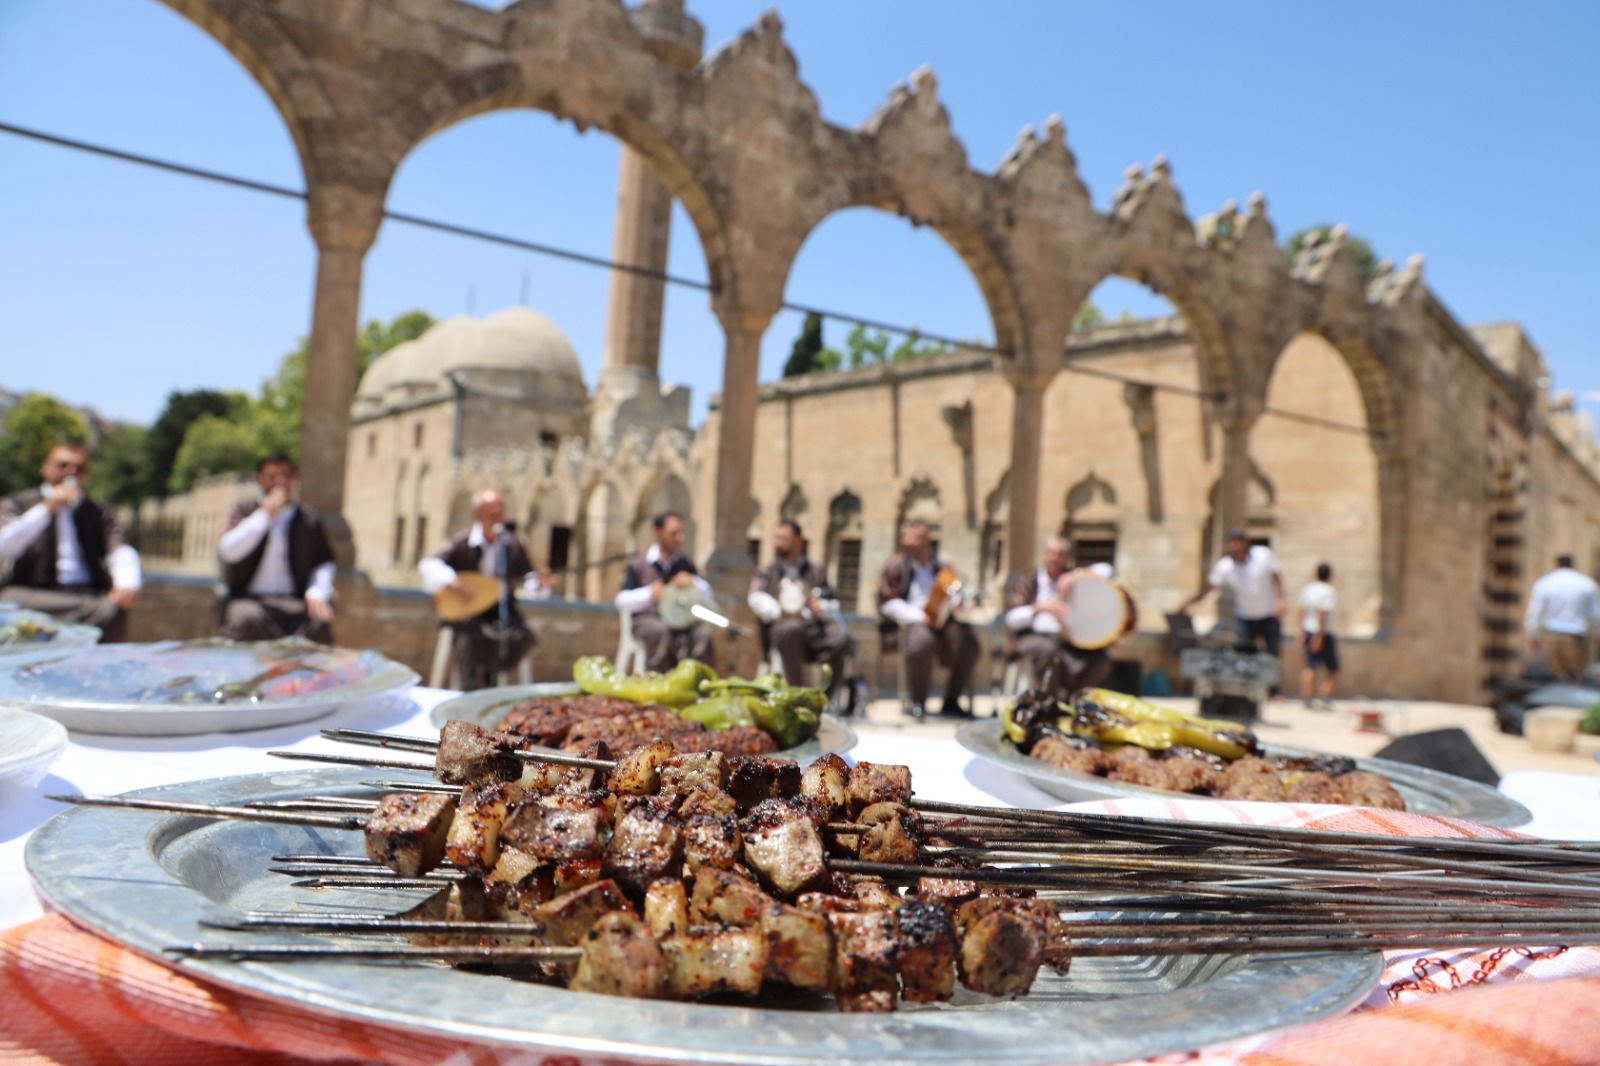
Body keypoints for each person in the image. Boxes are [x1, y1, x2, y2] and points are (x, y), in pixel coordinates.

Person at [0, 440, 140, 641]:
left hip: (84, 594)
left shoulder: (96, 511)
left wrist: (126, 582)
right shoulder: (18, 502)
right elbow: (5, 545)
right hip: (31, 592)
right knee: (11, 603)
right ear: (45, 467)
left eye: (79, 468)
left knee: (112, 609)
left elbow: (118, 547)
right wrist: (46, 509)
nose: (70, 472)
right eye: (62, 465)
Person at [419, 490, 555, 690]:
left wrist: (541, 585)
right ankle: (470, 690)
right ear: (477, 515)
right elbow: (429, 565)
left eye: (500, 514)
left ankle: (492, 678)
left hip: (502, 611)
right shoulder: (462, 541)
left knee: (523, 637)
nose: (497, 520)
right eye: (492, 515)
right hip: (466, 613)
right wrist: (455, 583)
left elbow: (527, 581)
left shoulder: (512, 545)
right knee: (467, 636)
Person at [217, 453, 336, 644]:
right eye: (272, 476)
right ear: (260, 479)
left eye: (285, 475)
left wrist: (316, 593)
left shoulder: (308, 518)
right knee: (245, 619)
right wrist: (264, 515)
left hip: (292, 602)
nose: (280, 481)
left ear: (294, 479)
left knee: (319, 622)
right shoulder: (244, 511)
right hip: (250, 601)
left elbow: (323, 561)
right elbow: (227, 550)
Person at [877, 519, 980, 719]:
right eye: (905, 537)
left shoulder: (942, 568)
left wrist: (959, 604)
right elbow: (887, 603)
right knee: (922, 643)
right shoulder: (896, 566)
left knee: (969, 643)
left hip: (942, 622)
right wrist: (920, 617)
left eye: (914, 538)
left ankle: (952, 700)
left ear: (927, 541)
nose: (908, 542)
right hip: (911, 624)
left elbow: (957, 594)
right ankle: (917, 701)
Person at [747, 519, 852, 697]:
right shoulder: (768, 571)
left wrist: (820, 605)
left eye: (784, 539)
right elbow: (755, 597)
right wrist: (782, 611)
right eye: (776, 538)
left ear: (798, 541)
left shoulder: (816, 571)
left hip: (813, 628)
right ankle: (797, 694)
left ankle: (826, 696)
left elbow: (831, 601)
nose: (778, 543)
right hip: (783, 627)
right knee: (791, 629)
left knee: (839, 637)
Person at [1003, 536, 1112, 696]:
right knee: (1048, 652)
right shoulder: (1029, 580)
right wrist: (1041, 608)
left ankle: (1073, 700)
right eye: (1051, 553)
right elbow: (1011, 619)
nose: (1054, 558)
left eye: (1060, 554)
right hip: (1032, 636)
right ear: (1045, 555)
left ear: (1067, 557)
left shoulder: (1073, 578)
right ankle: (1049, 701)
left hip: (1067, 640)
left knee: (1100, 660)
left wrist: (1079, 574)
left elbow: (1107, 570)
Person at [615, 511, 715, 672]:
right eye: (674, 533)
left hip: (683, 621)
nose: (679, 538)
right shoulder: (638, 564)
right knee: (661, 631)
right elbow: (621, 600)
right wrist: (649, 594)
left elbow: (709, 597)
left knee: (703, 634)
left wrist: (693, 582)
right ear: (657, 532)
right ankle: (660, 683)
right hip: (648, 620)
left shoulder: (686, 564)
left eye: (681, 533)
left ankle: (698, 683)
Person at [1179, 527, 1285, 662]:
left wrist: (1280, 600)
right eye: (1231, 543)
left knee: (1273, 656)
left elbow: (1277, 578)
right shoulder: (1225, 566)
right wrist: (1187, 605)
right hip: (1245, 617)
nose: (1234, 547)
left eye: (1237, 542)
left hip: (1269, 614)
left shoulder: (1263, 555)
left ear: (1245, 542)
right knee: (1245, 656)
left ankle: (1273, 684)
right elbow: (1208, 589)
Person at [1524, 554, 1600, 681]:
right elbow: (1595, 613)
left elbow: (1535, 611)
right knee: (1576, 675)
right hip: (1575, 638)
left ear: (1557, 564)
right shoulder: (1586, 584)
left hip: (1551, 636)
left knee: (1556, 676)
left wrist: (1532, 634)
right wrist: (1597, 633)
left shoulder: (1545, 583)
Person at [1298, 562, 1339, 709]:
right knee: (1332, 668)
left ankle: (1306, 696)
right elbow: (1322, 613)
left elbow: (1301, 610)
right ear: (1329, 575)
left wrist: (1301, 631)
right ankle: (1323, 695)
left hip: (1308, 630)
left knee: (1310, 666)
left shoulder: (1307, 589)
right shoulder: (1328, 591)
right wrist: (1320, 637)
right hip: (1323, 632)